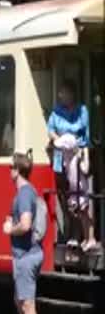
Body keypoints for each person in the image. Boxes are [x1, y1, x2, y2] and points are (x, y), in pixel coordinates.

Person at [2, 152, 43, 314]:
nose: (9, 170)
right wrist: (10, 221)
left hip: (27, 256)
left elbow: (25, 225)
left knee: (27, 304)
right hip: (22, 255)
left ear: (17, 170)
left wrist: (11, 228)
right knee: (21, 302)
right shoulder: (22, 194)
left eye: (11, 167)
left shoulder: (25, 193)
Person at [47, 79, 98, 252]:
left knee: (81, 197)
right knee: (67, 198)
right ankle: (74, 236)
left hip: (76, 155)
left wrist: (69, 140)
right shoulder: (56, 111)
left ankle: (86, 236)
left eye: (63, 93)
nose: (60, 96)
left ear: (72, 94)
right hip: (62, 159)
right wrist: (57, 139)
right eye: (60, 93)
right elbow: (51, 130)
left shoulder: (82, 110)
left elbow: (82, 132)